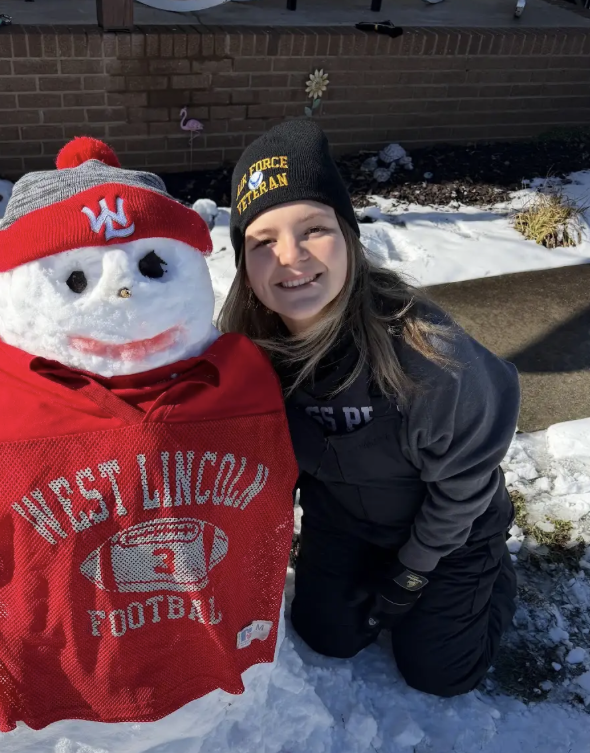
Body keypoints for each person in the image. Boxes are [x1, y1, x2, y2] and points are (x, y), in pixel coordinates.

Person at [219, 118, 521, 698]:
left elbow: (464, 483)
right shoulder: (245, 359)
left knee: (440, 674)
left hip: (450, 531)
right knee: (326, 637)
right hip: (346, 523)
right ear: (244, 267)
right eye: (263, 241)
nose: (291, 257)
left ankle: (492, 578)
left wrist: (416, 567)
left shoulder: (430, 357)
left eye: (314, 228)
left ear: (350, 236)